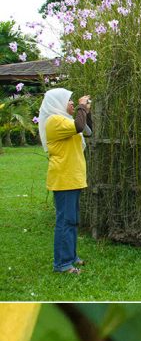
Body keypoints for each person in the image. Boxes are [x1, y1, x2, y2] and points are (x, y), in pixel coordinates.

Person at [38, 87, 93, 274]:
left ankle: (71, 257)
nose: (71, 103)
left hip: (72, 178)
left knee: (72, 220)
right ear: (57, 102)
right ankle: (62, 264)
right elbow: (79, 126)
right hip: (64, 179)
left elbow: (87, 130)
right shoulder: (54, 121)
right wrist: (81, 107)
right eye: (68, 100)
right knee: (65, 221)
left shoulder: (65, 120)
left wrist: (85, 111)